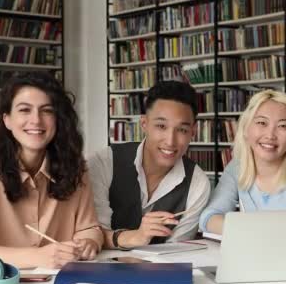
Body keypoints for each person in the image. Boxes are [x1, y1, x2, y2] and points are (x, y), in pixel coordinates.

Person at [0, 72, 103, 269]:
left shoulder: (76, 168)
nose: (36, 120)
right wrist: (36, 257)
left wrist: (89, 242)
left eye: (47, 111)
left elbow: (89, 228)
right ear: (7, 120)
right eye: (25, 110)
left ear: (58, 120)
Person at [199, 90, 286, 239]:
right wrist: (256, 232)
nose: (270, 135)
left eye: (283, 126)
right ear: (246, 129)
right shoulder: (237, 168)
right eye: (261, 123)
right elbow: (208, 218)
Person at [88, 81, 210, 249]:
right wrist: (135, 237)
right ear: (144, 124)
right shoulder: (104, 162)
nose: (170, 141)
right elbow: (91, 235)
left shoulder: (198, 182)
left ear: (193, 132)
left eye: (182, 130)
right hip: (99, 270)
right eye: (161, 126)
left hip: (160, 272)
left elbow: (177, 251)